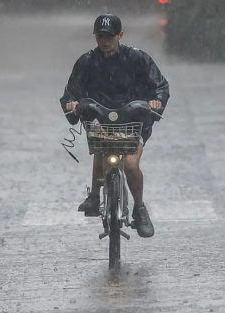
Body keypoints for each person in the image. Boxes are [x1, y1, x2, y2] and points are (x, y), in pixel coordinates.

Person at [60, 14, 170, 238]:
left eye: (110, 36)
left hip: (134, 120)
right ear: (95, 37)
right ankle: (95, 195)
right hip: (100, 117)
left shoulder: (137, 58)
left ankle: (139, 208)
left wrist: (155, 102)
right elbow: (71, 91)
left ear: (120, 35)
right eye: (100, 36)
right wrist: (72, 103)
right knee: (99, 141)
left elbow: (160, 85)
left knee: (130, 165)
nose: (105, 40)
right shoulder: (87, 62)